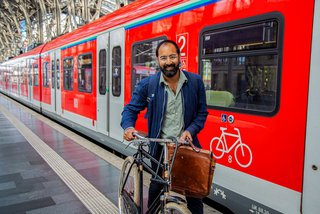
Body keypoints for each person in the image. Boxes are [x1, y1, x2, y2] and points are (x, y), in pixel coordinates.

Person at [121, 40, 208, 214]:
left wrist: (190, 131)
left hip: (186, 147)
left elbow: (201, 113)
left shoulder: (195, 82)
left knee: (194, 196)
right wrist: (129, 127)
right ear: (158, 60)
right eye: (163, 58)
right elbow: (130, 109)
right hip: (160, 148)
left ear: (179, 58)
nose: (168, 62)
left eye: (172, 57)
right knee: (156, 187)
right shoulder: (149, 85)